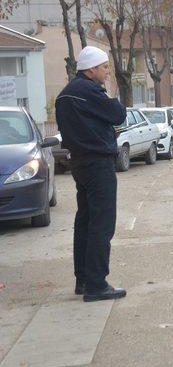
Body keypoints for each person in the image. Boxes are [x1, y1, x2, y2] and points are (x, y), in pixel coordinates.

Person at [55, 46, 127, 302]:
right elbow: (118, 114)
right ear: (91, 69)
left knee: (84, 221)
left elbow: (83, 126)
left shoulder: (64, 96)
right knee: (101, 222)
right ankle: (97, 284)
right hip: (98, 164)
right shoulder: (90, 91)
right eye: (105, 67)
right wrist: (108, 99)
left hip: (80, 163)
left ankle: (83, 279)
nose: (107, 72)